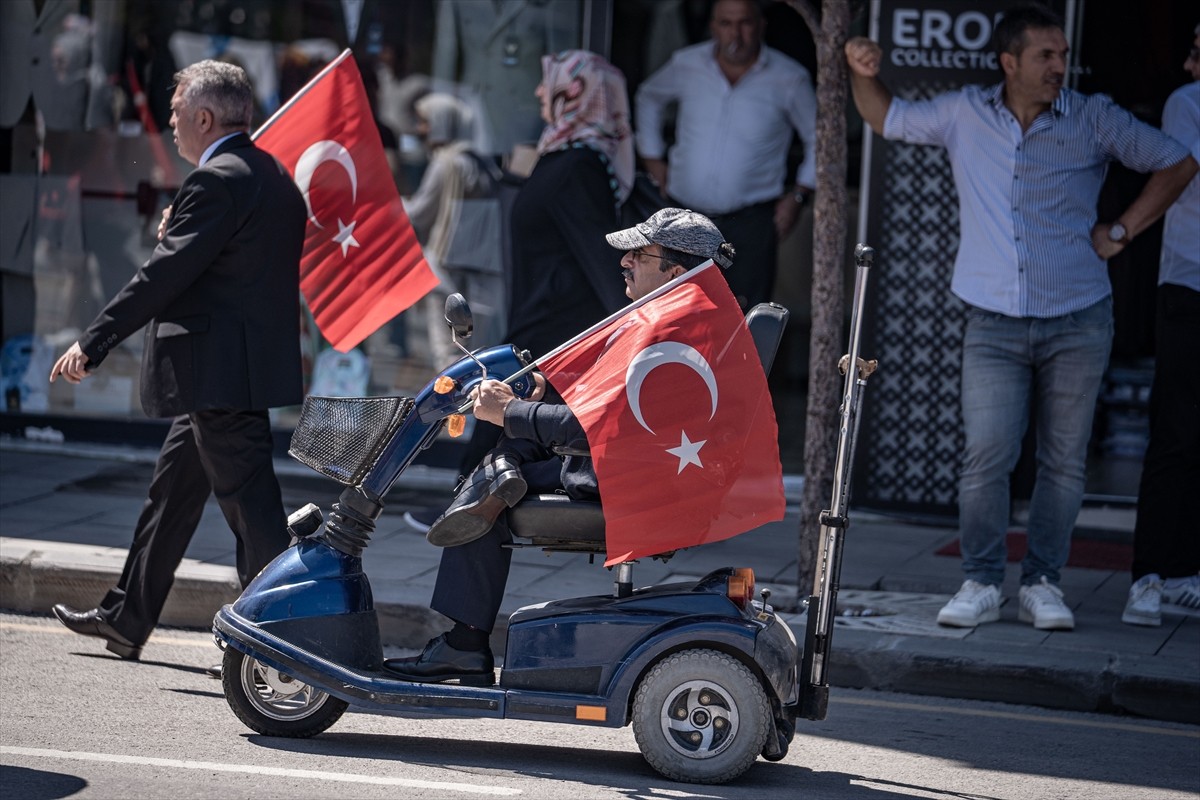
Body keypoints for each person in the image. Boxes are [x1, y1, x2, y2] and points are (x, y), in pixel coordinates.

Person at [845, 3, 1198, 631]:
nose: (1061, 66)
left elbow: (1177, 160)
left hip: (1079, 317)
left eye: (1062, 55)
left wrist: (1122, 230)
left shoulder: (1092, 117)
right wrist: (861, 72)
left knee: (1064, 461)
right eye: (1046, 55)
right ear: (1009, 62)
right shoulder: (964, 113)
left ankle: (1042, 583)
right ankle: (982, 580)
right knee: (987, 456)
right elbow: (884, 116)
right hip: (993, 320)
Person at [384, 208, 736, 685]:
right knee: (504, 460)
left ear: (675, 272)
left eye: (639, 254)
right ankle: (502, 474)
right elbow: (610, 403)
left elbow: (600, 430)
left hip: (625, 479)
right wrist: (538, 394)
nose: (624, 262)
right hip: (638, 469)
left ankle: (463, 644)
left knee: (491, 484)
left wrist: (509, 411)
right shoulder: (687, 319)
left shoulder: (672, 335)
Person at [47, 60, 306, 662]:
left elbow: (163, 276)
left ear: (205, 117)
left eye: (174, 116)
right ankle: (126, 617)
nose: (170, 128)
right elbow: (232, 268)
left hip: (215, 375)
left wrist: (95, 340)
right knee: (170, 497)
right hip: (228, 374)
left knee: (254, 513)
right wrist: (183, 233)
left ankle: (287, 638)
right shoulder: (271, 175)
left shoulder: (215, 181)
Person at [634, 0, 816, 310]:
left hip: (750, 223)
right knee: (673, 308)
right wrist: (653, 159)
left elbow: (819, 139)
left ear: (761, 26)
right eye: (726, 24)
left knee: (742, 314)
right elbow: (648, 97)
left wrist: (799, 195)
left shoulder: (789, 77)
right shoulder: (687, 64)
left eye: (744, 23)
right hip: (683, 215)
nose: (736, 34)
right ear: (713, 27)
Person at [1122, 27, 1200, 627]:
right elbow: (1184, 170)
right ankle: (1148, 574)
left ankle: (1184, 571)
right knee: (1175, 433)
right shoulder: (1186, 101)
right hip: (1189, 286)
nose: (1187, 55)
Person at [505, 49, 636, 361]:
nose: (539, 91)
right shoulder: (562, 158)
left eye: (548, 82)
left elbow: (602, 259)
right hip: (543, 332)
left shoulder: (578, 167)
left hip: (557, 342)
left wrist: (637, 340)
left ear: (579, 93)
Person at [403, 92, 501, 368]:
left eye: (424, 122)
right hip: (481, 268)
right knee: (476, 351)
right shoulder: (482, 162)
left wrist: (394, 204)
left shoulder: (445, 162)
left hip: (445, 269)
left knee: (447, 352)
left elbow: (421, 213)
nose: (420, 129)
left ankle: (451, 409)